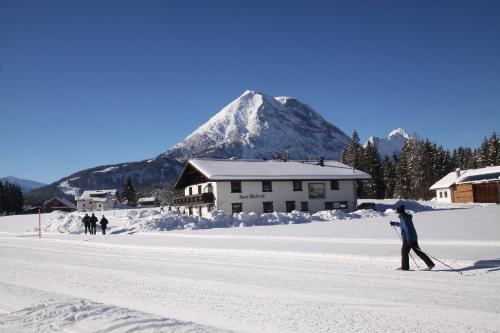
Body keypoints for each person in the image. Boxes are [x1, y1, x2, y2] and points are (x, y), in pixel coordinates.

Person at [390, 205, 435, 271]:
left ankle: (405, 267)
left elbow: (407, 229)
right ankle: (430, 264)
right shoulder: (404, 217)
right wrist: (394, 223)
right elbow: (402, 225)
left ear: (400, 213)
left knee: (404, 252)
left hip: (408, 239)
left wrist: (408, 240)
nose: (397, 214)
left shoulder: (404, 218)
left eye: (397, 213)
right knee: (417, 252)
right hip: (412, 238)